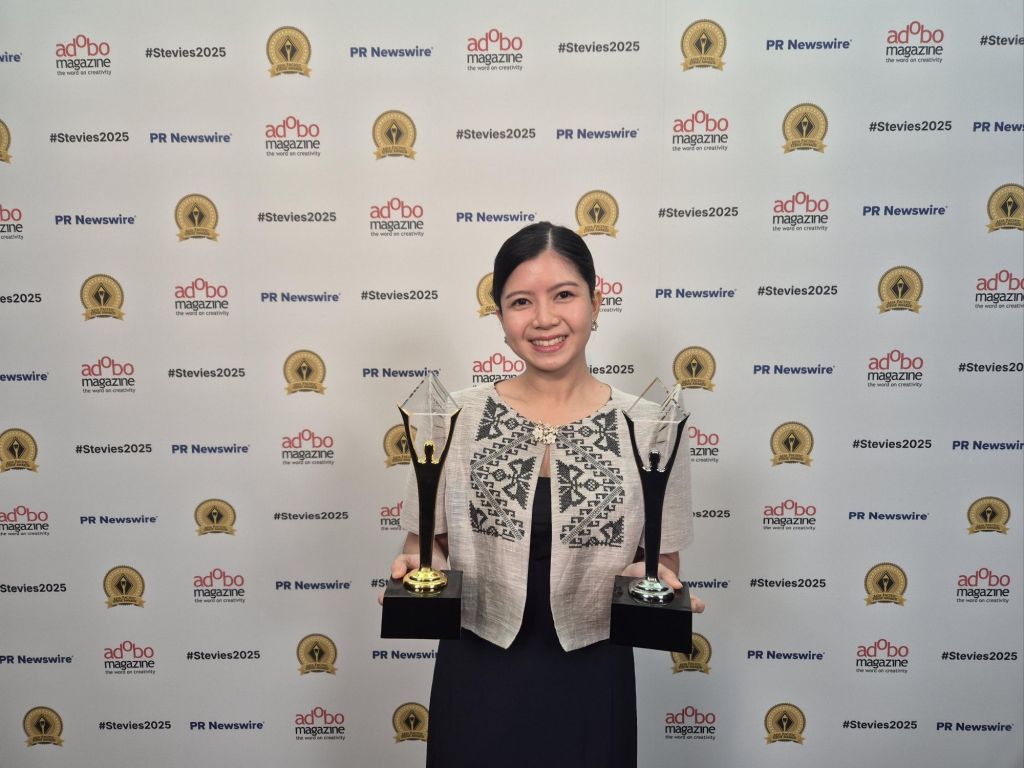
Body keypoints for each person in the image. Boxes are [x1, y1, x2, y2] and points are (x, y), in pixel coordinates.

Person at [386, 221, 704, 767]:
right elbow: (425, 545)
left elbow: (662, 559)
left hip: (592, 675)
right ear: (500, 317)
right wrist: (417, 568)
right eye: (520, 302)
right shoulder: (452, 416)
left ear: (596, 302)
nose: (544, 319)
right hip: (478, 672)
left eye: (563, 295)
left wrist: (650, 578)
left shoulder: (653, 425)